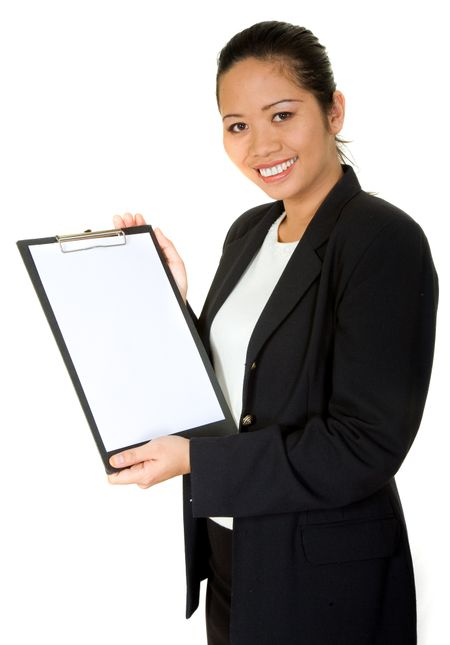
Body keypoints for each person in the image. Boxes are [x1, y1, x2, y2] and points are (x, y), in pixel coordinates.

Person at [108, 20, 438, 645]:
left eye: (282, 115)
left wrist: (197, 463)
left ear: (333, 110)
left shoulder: (382, 241)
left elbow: (364, 444)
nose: (260, 145)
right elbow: (231, 387)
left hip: (325, 580)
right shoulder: (249, 233)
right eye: (238, 126)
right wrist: (166, 303)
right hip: (235, 551)